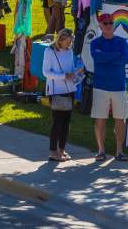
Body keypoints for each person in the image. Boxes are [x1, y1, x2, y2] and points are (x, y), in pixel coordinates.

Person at [91, 13, 128, 161]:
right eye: (106, 23)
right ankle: (101, 150)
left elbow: (126, 59)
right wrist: (115, 55)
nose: (109, 26)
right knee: (100, 120)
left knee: (120, 119)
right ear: (100, 26)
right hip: (100, 86)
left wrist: (106, 56)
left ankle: (119, 151)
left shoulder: (122, 42)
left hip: (119, 86)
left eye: (111, 23)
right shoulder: (95, 43)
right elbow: (97, 57)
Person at [43, 28, 81, 162]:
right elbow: (46, 72)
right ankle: (53, 151)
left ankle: (62, 149)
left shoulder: (70, 51)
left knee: (66, 123)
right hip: (55, 91)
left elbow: (71, 70)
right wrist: (63, 76)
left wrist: (77, 74)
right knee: (57, 123)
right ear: (60, 39)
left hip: (69, 90)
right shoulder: (50, 51)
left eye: (71, 42)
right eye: (67, 42)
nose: (69, 45)